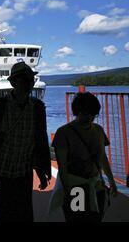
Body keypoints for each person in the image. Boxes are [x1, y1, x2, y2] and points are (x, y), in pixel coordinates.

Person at [0, 62, 51, 222]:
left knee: (26, 214)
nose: (28, 83)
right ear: (13, 83)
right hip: (1, 170)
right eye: (23, 79)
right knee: (6, 214)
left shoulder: (38, 107)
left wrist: (42, 169)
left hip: (24, 171)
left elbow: (40, 139)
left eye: (30, 79)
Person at [49, 92, 118, 222]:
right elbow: (62, 166)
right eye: (86, 113)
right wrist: (67, 189)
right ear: (77, 112)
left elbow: (103, 157)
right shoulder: (63, 133)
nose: (90, 118)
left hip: (96, 184)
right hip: (75, 187)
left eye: (93, 114)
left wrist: (111, 181)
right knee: (78, 219)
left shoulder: (98, 130)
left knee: (95, 218)